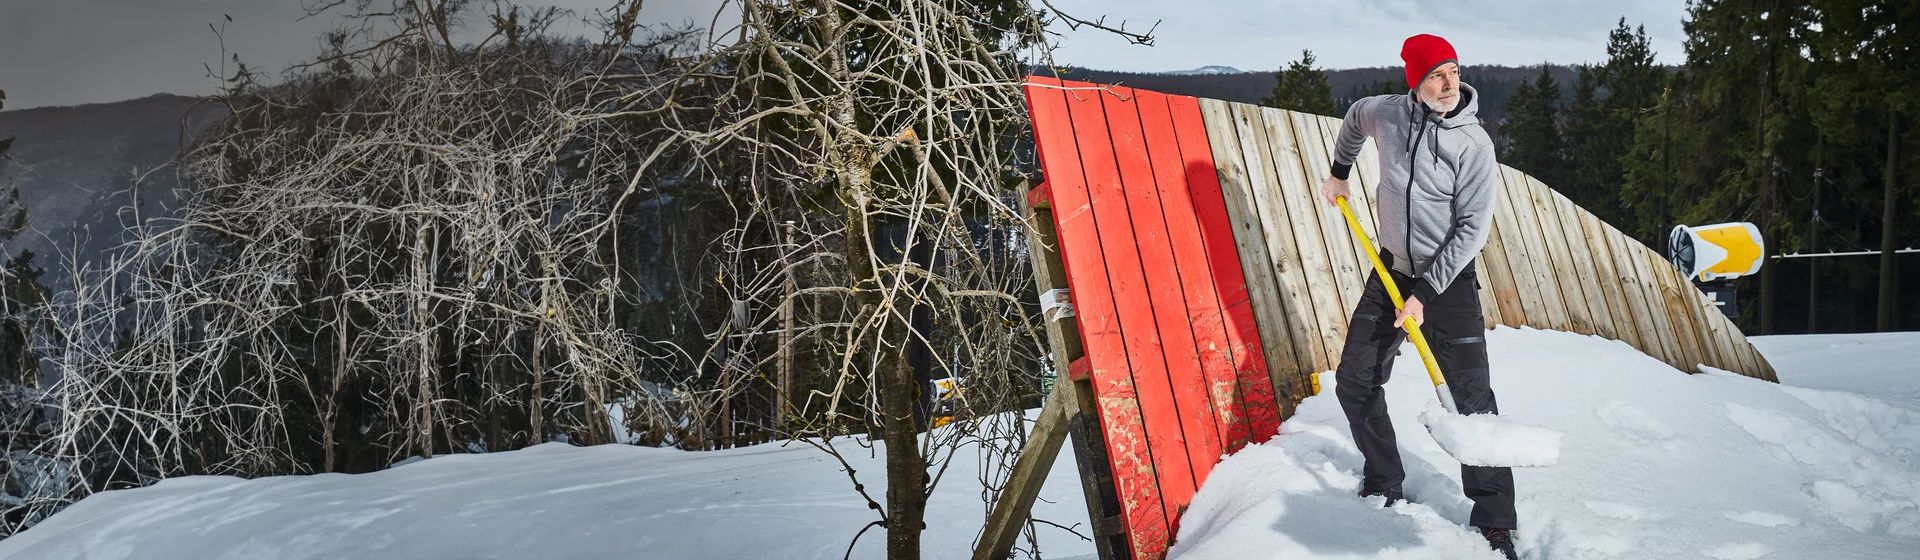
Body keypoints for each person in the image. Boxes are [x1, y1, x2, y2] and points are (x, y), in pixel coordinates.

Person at [1317, 33, 1517, 560]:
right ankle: (1384, 479)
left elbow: (1472, 228)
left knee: (1472, 402)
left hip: (1446, 284)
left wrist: (1426, 292)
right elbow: (1354, 120)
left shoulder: (1473, 144)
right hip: (1390, 273)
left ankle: (1495, 520)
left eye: (1453, 71)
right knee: (1355, 380)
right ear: (1415, 82)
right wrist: (1340, 173)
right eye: (1436, 75)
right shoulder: (1385, 114)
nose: (1450, 83)